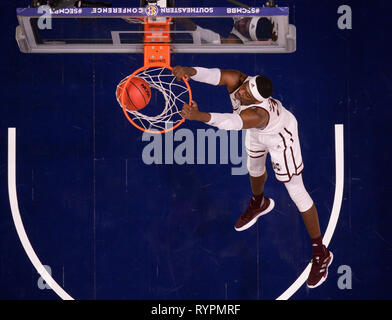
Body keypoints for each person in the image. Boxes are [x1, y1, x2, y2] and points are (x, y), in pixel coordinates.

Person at [172, 65, 333, 289]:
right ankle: (259, 203)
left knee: (296, 190)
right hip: (257, 132)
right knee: (254, 167)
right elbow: (215, 75)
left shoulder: (257, 113)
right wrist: (190, 71)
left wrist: (199, 116)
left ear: (256, 100)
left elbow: (232, 122)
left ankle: (321, 252)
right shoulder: (239, 80)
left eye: (248, 95)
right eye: (246, 88)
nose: (243, 93)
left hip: (280, 137)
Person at [174, 16, 277, 45]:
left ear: (248, 36)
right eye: (245, 21)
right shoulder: (243, 12)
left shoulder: (234, 41)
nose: (240, 23)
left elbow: (204, 35)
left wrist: (183, 21)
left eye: (243, 29)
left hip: (183, 30)